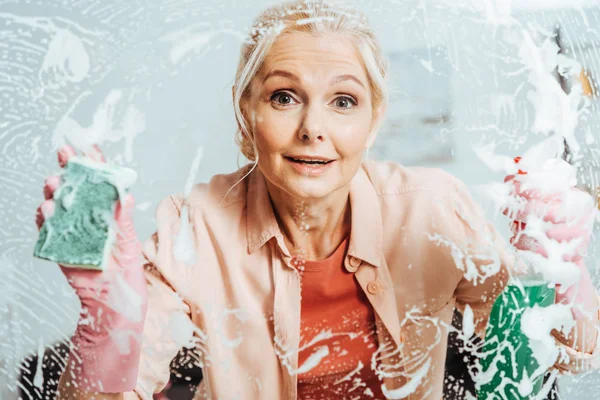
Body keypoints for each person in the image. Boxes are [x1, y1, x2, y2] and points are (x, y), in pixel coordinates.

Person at [35, 1, 599, 399]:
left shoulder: (433, 208)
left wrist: (559, 277)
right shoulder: (193, 229)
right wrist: (111, 323)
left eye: (344, 102)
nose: (314, 129)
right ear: (245, 112)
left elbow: (559, 354)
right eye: (284, 97)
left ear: (375, 120)